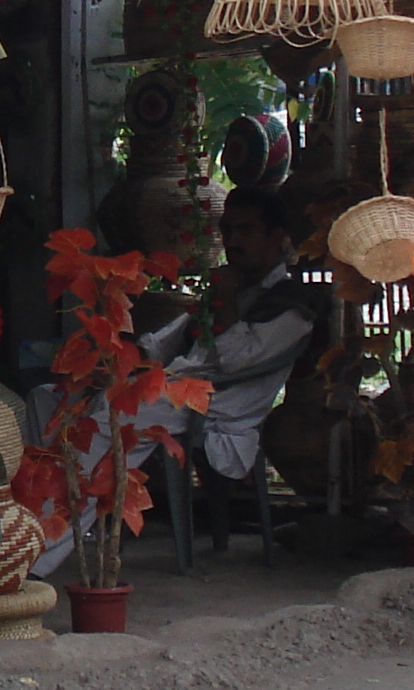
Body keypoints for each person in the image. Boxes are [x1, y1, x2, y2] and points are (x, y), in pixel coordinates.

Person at [134, 185, 321, 483]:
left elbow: (235, 361)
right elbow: (160, 345)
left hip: (215, 409)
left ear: (275, 238)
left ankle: (67, 522)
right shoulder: (233, 287)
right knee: (48, 397)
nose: (232, 242)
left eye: (246, 231)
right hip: (173, 393)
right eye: (227, 231)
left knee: (115, 411)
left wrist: (225, 301)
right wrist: (114, 358)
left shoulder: (290, 308)